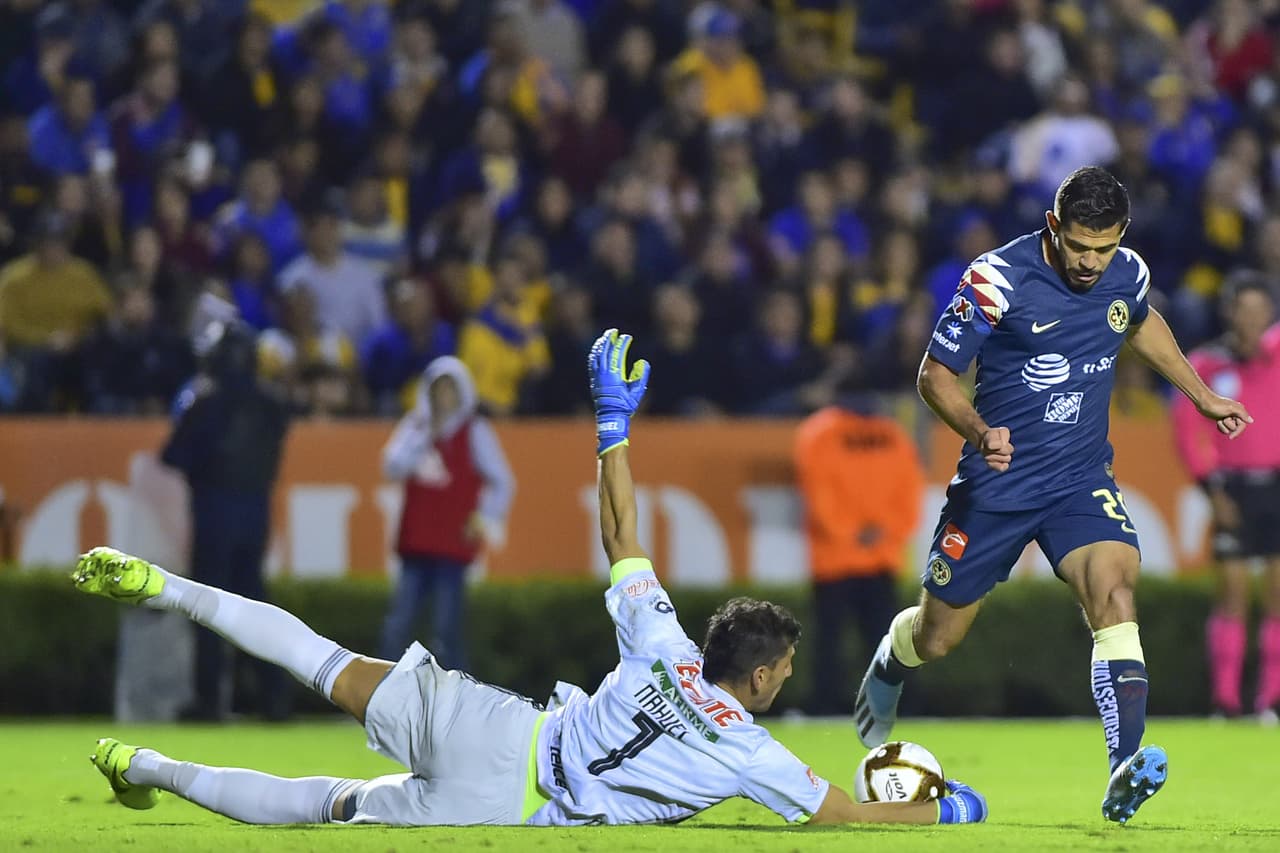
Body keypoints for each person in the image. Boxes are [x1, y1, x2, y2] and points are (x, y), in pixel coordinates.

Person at [72, 329, 988, 828]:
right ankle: (146, 766)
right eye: (781, 672)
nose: (784, 681)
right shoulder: (750, 749)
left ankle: (166, 585)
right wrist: (945, 812)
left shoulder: (661, 642)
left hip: (500, 724)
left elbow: (622, 531)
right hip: (504, 808)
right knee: (329, 803)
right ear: (756, 679)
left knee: (325, 660)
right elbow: (840, 815)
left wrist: (612, 428)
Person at [852, 166, 1253, 824]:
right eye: (1079, 247)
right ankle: (895, 658)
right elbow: (935, 374)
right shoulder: (996, 278)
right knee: (940, 635)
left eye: (1105, 247)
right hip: (998, 478)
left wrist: (1200, 393)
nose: (1092, 262)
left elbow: (1139, 322)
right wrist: (981, 432)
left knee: (1116, 588)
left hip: (1079, 475)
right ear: (1053, 227)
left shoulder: (1128, 270)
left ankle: (1124, 762)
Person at [160, 322, 292, 721]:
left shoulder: (204, 399)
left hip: (215, 511)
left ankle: (209, 701)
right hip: (254, 512)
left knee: (208, 606)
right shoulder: (272, 402)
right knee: (254, 603)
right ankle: (274, 697)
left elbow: (173, 455)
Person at [1172, 272, 1280, 721]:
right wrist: (1211, 488)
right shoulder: (1207, 365)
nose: (1253, 319)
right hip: (1231, 488)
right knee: (1232, 595)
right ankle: (1225, 701)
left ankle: (1270, 701)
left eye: (1261, 311)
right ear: (1229, 312)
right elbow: (1187, 430)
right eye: (1244, 310)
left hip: (1276, 485)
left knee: (1276, 597)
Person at [378, 356, 514, 668]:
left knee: (446, 628)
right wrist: (426, 435)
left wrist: (484, 517)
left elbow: (503, 481)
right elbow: (391, 466)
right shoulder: (415, 427)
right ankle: (380, 693)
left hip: (452, 543)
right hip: (416, 539)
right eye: (438, 390)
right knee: (399, 624)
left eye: (450, 390)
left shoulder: (475, 430)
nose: (443, 398)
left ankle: (456, 704)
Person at [794, 400, 925, 715]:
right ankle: (902, 707)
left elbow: (818, 490)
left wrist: (849, 532)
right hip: (878, 556)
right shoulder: (892, 434)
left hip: (835, 557)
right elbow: (910, 492)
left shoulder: (819, 431)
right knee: (889, 641)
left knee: (831, 639)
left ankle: (825, 707)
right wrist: (883, 531)